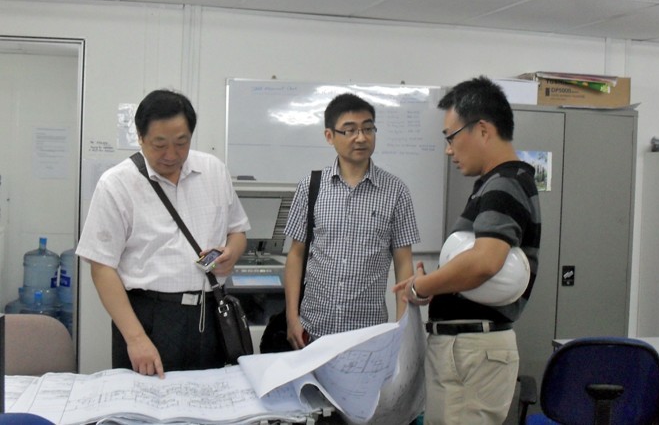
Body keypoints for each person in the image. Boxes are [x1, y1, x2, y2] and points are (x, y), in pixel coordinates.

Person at [394, 76, 541, 424]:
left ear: (483, 130)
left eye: (451, 137)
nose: (449, 150)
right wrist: (440, 284)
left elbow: (484, 262)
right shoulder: (499, 183)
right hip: (467, 350)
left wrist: (422, 287)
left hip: (471, 352)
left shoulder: (505, 184)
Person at [76, 89, 250, 378]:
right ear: (140, 137)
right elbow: (102, 267)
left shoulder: (214, 171)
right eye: (159, 145)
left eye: (181, 143)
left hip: (211, 313)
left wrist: (232, 251)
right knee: (144, 402)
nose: (171, 155)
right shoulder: (116, 184)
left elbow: (237, 231)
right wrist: (135, 338)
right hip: (148, 318)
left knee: (210, 397)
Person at [283, 92, 421, 349]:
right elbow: (296, 254)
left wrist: (402, 327)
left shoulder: (396, 191)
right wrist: (292, 317)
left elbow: (404, 264)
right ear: (329, 136)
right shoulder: (310, 186)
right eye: (350, 130)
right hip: (313, 331)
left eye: (368, 128)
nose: (361, 137)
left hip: (369, 335)